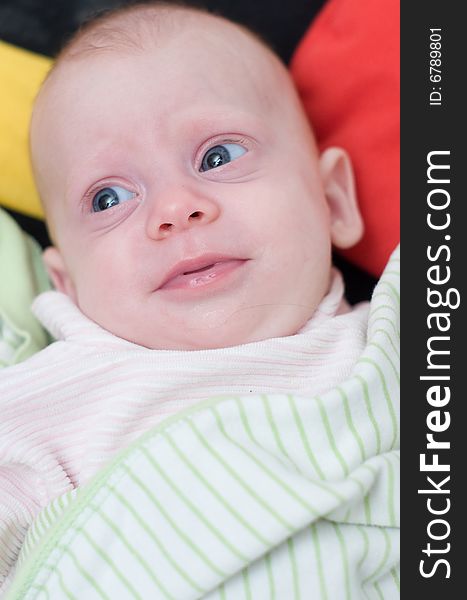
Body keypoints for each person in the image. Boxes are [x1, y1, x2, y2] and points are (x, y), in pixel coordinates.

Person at [0, 2, 399, 597]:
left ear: (333, 201)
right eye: (108, 198)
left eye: (219, 156)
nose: (174, 210)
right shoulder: (58, 395)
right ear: (69, 286)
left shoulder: (398, 340)